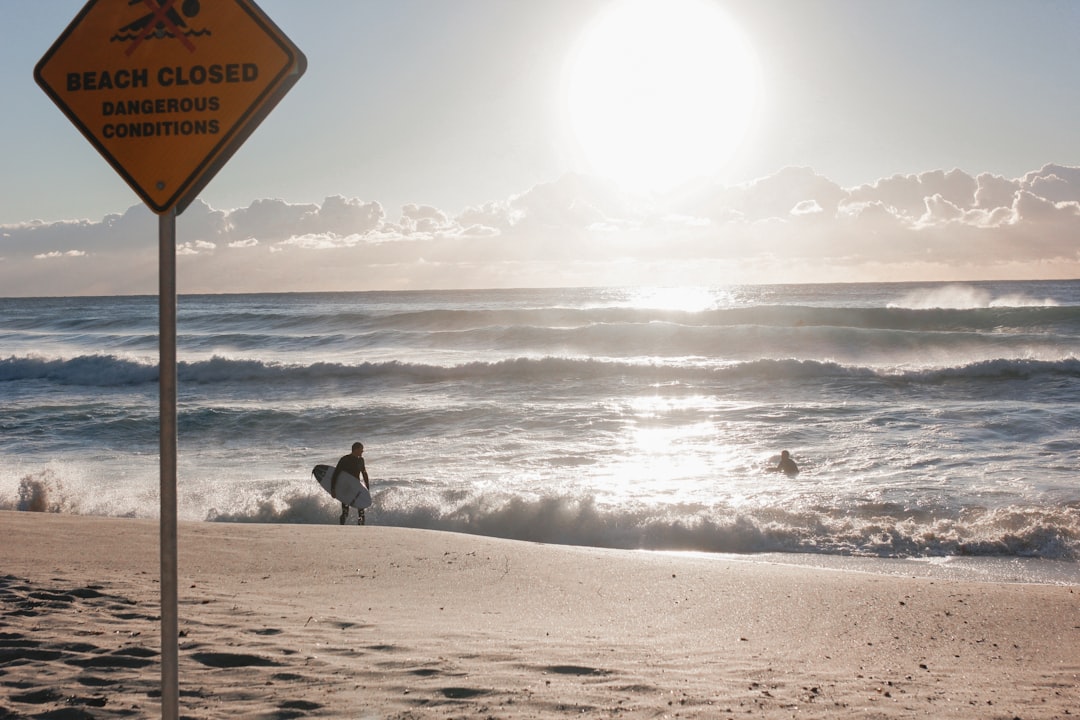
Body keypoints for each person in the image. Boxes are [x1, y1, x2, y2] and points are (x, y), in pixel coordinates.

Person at [332, 442, 370, 525]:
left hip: (357, 487)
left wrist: (367, 488)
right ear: (355, 450)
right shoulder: (345, 459)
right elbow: (336, 474)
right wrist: (333, 489)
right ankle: (341, 527)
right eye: (361, 450)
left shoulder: (361, 460)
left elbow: (364, 473)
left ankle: (361, 528)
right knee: (345, 512)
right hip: (346, 488)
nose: (362, 452)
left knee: (361, 512)